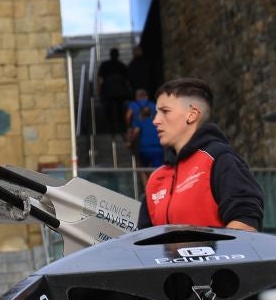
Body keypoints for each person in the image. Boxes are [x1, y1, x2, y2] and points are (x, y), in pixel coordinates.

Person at [138, 79, 265, 231]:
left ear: (192, 115)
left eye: (165, 111)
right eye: (156, 113)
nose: (155, 121)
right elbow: (143, 239)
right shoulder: (156, 179)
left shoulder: (219, 159)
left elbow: (246, 221)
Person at [125, 88, 163, 168]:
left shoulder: (133, 105)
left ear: (137, 97)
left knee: (141, 166)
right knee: (157, 168)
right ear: (146, 96)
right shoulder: (153, 105)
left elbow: (128, 116)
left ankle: (146, 179)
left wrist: (129, 127)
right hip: (158, 146)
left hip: (142, 145)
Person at [97, 47, 131, 135]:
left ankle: (111, 129)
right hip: (120, 92)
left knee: (108, 112)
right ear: (118, 55)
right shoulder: (122, 65)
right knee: (120, 111)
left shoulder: (104, 65)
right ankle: (122, 129)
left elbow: (100, 80)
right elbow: (127, 81)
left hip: (108, 91)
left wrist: (99, 91)